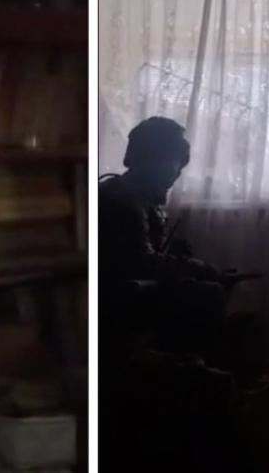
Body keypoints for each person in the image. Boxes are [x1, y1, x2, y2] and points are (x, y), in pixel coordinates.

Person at [99, 116, 233, 360]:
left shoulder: (130, 194)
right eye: (175, 165)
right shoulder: (124, 201)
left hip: (125, 293)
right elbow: (142, 263)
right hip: (116, 303)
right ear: (153, 161)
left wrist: (181, 260)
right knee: (210, 295)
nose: (176, 175)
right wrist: (201, 268)